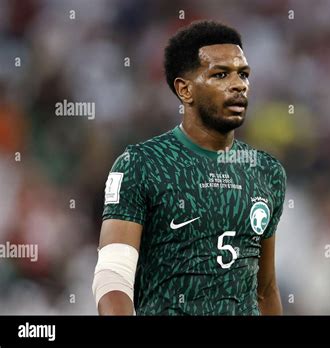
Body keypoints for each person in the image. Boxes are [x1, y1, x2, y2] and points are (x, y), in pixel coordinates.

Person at [92, 20, 286, 315]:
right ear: (185, 90)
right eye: (220, 74)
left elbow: (265, 290)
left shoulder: (267, 171)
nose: (238, 85)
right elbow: (112, 278)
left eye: (243, 74)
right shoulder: (142, 164)